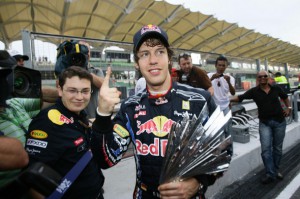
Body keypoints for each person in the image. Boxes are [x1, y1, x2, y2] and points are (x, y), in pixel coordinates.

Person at [93, 24, 223, 199]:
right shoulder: (129, 108)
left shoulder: (199, 101)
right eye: (145, 54)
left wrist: (199, 182)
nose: (153, 60)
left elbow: (223, 150)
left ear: (169, 58)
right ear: (137, 63)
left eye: (159, 52)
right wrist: (102, 114)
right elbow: (106, 159)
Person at [25, 66, 105, 198]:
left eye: (85, 91)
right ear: (60, 90)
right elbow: (32, 179)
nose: (79, 97)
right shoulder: (46, 122)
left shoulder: (80, 116)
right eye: (72, 91)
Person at [231, 70, 291, 184]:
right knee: (265, 150)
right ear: (257, 79)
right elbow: (240, 98)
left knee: (277, 148)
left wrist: (289, 108)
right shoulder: (254, 91)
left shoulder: (276, 88)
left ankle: (274, 170)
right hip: (265, 123)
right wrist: (225, 100)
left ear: (268, 78)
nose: (263, 78)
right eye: (260, 76)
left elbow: (285, 97)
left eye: (265, 76)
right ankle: (270, 173)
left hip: (279, 122)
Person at [0, 50, 46, 187]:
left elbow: (41, 100)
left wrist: (33, 87)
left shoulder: (14, 103)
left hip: (36, 178)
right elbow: (19, 157)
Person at [207, 56, 235, 155]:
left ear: (226, 66)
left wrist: (228, 82)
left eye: (223, 65)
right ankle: (219, 153)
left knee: (228, 131)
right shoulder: (209, 75)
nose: (221, 67)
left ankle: (230, 152)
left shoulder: (230, 78)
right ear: (215, 65)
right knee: (217, 131)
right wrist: (211, 79)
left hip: (225, 107)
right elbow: (204, 89)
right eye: (219, 65)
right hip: (214, 108)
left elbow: (233, 92)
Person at [79, 41, 105, 119]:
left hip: (92, 115)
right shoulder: (70, 70)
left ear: (89, 54)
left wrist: (86, 73)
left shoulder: (96, 71)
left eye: (86, 51)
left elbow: (102, 84)